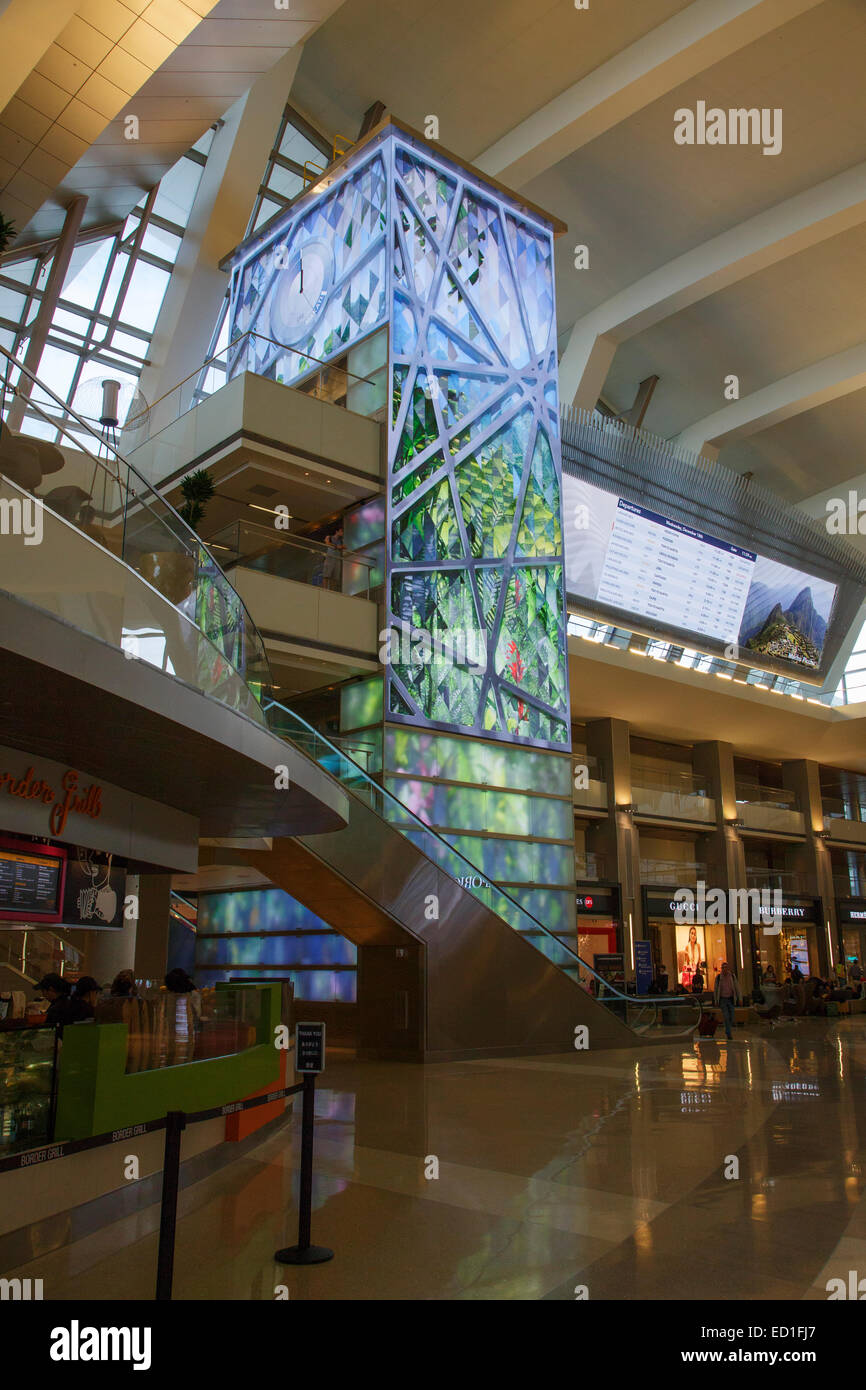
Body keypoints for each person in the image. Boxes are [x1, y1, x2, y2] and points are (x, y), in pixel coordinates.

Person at [713, 961, 742, 1040]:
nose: (725, 969)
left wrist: (740, 998)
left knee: (731, 1016)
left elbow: (737, 987)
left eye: (726, 967)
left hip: (731, 998)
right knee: (726, 1016)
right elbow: (716, 989)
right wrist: (716, 1000)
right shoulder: (719, 978)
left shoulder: (732, 976)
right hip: (723, 999)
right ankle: (728, 1032)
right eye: (723, 968)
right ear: (721, 969)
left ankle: (728, 1029)